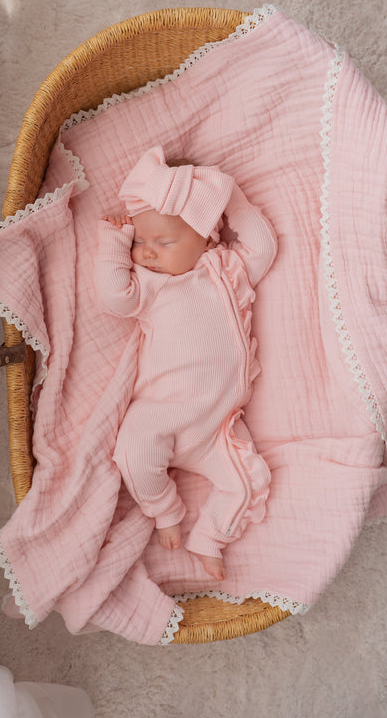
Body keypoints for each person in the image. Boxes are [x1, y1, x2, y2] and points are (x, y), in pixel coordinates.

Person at [95, 146, 277, 580]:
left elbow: (264, 245)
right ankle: (164, 509)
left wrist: (229, 197)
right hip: (162, 412)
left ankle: (211, 537)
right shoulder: (151, 285)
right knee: (132, 449)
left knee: (245, 482)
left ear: (207, 238)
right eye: (141, 242)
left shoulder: (228, 271)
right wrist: (115, 244)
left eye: (164, 242)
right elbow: (114, 297)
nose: (148, 253)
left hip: (219, 424)